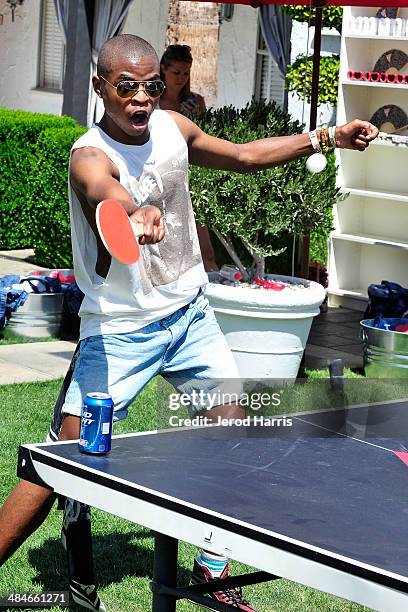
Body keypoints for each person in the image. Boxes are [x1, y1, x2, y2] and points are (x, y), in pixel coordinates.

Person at [0, 34, 378, 611]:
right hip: (120, 334)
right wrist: (136, 211)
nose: (141, 98)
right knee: (58, 467)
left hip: (190, 319)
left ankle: (209, 567)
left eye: (151, 86)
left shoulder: (174, 130)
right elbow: (105, 191)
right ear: (101, 86)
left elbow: (245, 156)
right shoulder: (89, 154)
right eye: (127, 86)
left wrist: (328, 136)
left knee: (228, 431)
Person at [159, 43, 217, 272]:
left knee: (198, 218)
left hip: (188, 165)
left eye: (186, 73)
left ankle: (208, 264)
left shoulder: (194, 102)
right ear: (163, 69)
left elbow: (205, 136)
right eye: (176, 73)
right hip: (160, 164)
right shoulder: (153, 100)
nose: (181, 78)